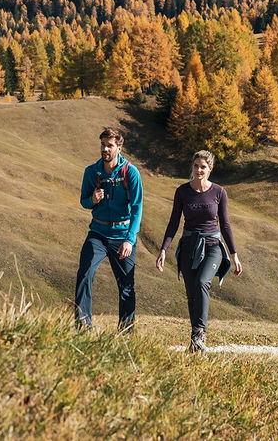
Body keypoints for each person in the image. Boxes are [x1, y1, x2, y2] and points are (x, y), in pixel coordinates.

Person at [155, 149, 243, 353]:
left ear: (210, 169)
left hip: (213, 246)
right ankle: (195, 342)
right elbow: (173, 222)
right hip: (188, 246)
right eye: (195, 166)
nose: (198, 170)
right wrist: (163, 249)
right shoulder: (182, 191)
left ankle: (199, 334)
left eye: (203, 166)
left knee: (202, 282)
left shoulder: (219, 192)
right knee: (191, 293)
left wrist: (234, 254)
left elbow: (226, 224)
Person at [75, 127, 143, 331]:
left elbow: (137, 208)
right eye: (103, 145)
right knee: (85, 274)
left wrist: (129, 240)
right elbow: (84, 201)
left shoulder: (130, 172)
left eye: (110, 145)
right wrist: (92, 200)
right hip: (97, 233)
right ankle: (82, 327)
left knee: (126, 285)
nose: (105, 149)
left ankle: (126, 332)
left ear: (119, 148)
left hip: (122, 235)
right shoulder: (91, 172)